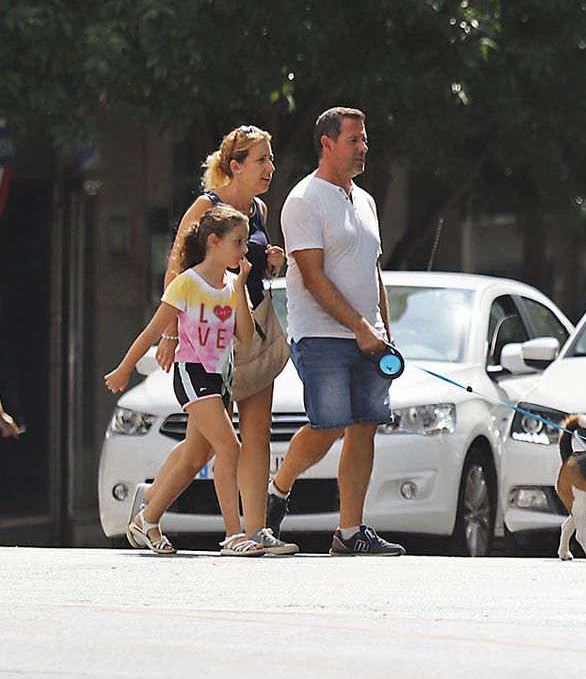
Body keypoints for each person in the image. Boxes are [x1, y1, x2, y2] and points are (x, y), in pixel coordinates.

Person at [127, 126, 295, 555]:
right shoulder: (207, 207)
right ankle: (148, 511)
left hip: (249, 328)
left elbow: (244, 265)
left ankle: (255, 532)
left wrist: (269, 260)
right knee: (204, 446)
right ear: (234, 166)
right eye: (261, 160)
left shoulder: (258, 210)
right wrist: (168, 333)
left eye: (271, 160)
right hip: (209, 342)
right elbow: (176, 269)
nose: (270, 168)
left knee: (256, 434)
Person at [264, 107, 404, 556]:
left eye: (364, 140)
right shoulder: (304, 199)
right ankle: (279, 486)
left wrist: (383, 327)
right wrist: (360, 327)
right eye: (354, 140)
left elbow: (372, 267)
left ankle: (350, 532)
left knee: (365, 427)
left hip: (368, 334)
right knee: (329, 425)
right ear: (327, 143)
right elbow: (312, 276)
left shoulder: (365, 201)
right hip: (321, 335)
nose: (363, 149)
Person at [105, 206, 264, 555]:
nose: (243, 251)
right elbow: (152, 331)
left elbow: (247, 336)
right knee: (229, 447)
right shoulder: (187, 283)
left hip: (221, 378)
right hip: (192, 374)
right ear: (213, 241)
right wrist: (123, 369)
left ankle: (147, 519)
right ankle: (234, 533)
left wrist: (240, 292)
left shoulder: (233, 285)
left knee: (194, 457)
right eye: (237, 242)